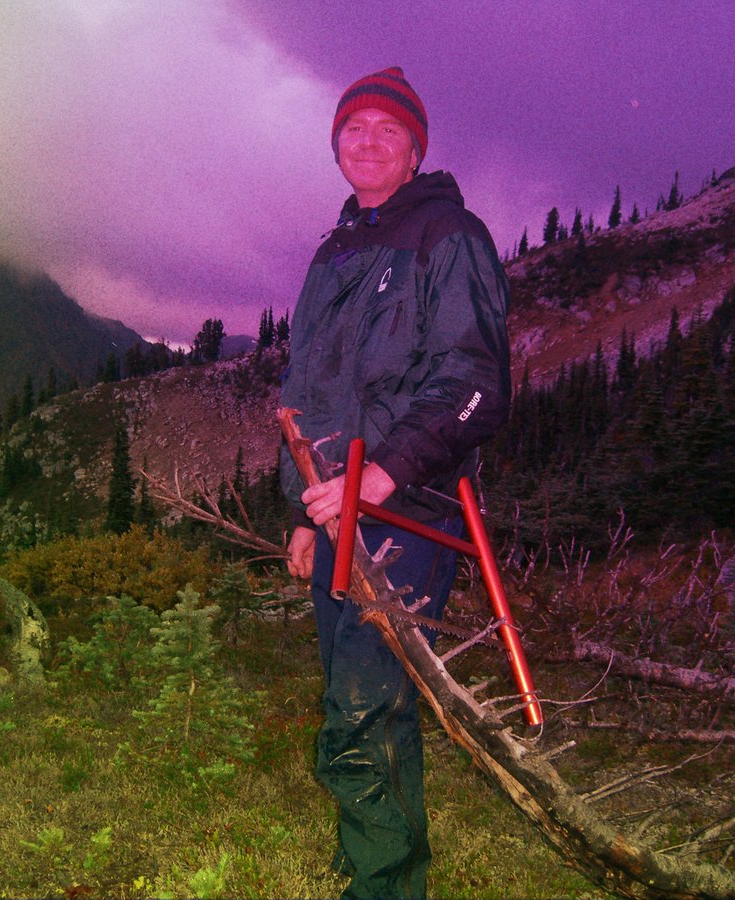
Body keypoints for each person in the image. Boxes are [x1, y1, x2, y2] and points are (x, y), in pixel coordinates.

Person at [279, 66, 511, 899]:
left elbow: (475, 380)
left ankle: (384, 886)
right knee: (356, 689)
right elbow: (307, 393)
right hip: (334, 507)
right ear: (335, 145)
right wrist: (304, 513)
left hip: (407, 507)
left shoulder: (450, 234)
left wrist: (380, 475)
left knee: (366, 699)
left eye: (388, 131)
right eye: (353, 129)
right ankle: (375, 848)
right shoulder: (337, 249)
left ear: (415, 152)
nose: (367, 142)